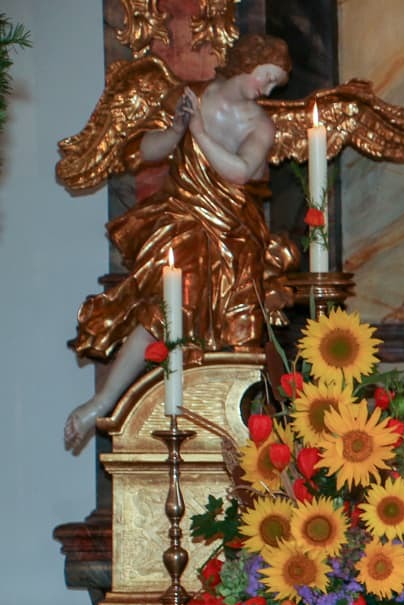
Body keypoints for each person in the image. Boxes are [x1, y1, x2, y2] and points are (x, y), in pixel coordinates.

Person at [61, 35, 297, 454]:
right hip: (182, 216)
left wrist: (199, 131)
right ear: (247, 64)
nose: (267, 89)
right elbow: (145, 150)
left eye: (275, 84)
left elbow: (240, 172)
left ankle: (222, 419)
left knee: (235, 314)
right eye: (265, 77)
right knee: (165, 308)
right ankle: (101, 403)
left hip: (232, 228)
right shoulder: (191, 96)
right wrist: (176, 130)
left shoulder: (260, 124)